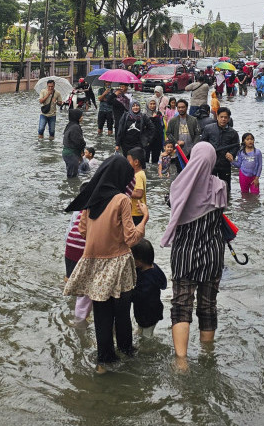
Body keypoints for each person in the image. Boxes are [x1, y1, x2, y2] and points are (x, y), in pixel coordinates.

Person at [64, 156, 148, 369]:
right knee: (122, 313)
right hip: (118, 265)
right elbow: (131, 239)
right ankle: (127, 352)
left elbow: (83, 230)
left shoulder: (92, 197)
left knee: (102, 316)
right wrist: (144, 219)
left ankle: (104, 361)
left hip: (94, 264)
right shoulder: (121, 199)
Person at [160, 142, 227, 370]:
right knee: (208, 305)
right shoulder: (220, 186)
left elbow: (170, 204)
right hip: (213, 254)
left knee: (181, 303)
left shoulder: (179, 186)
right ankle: (208, 356)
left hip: (184, 254)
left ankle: (181, 360)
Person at [130, 239, 167, 337]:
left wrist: (126, 293)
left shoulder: (148, 280)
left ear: (139, 261)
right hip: (150, 311)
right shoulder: (153, 267)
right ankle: (140, 333)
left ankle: (147, 350)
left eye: (132, 258)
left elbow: (139, 295)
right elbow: (163, 283)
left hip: (149, 314)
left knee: (147, 337)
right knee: (140, 331)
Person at [200, 107, 240, 192]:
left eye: (226, 117)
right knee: (209, 187)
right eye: (221, 117)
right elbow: (203, 143)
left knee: (226, 187)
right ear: (217, 117)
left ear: (229, 119)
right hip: (211, 163)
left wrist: (232, 154)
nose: (223, 119)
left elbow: (236, 146)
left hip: (225, 163)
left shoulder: (233, 133)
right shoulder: (208, 128)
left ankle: (227, 203)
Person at [64, 209, 92, 323]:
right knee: (83, 285)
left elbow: (69, 231)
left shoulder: (78, 212)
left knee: (70, 278)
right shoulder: (95, 212)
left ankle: (68, 294)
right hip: (82, 251)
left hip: (70, 248)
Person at [125, 147, 148, 226]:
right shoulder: (139, 174)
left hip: (136, 213)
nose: (127, 163)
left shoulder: (138, 175)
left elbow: (139, 194)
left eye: (128, 161)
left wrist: (124, 192)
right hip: (136, 212)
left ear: (136, 162)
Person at [61, 109, 87, 178]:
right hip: (71, 154)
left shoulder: (69, 125)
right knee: (72, 176)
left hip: (67, 153)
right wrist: (83, 148)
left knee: (70, 173)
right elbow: (79, 142)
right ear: (77, 117)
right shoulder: (75, 127)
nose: (82, 117)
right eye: (81, 116)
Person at [145, 99, 165, 166]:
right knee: (145, 161)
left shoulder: (158, 113)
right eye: (151, 104)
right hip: (147, 140)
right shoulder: (144, 115)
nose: (152, 106)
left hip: (157, 140)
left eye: (154, 104)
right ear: (148, 104)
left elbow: (161, 127)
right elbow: (145, 127)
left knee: (155, 161)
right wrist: (153, 118)